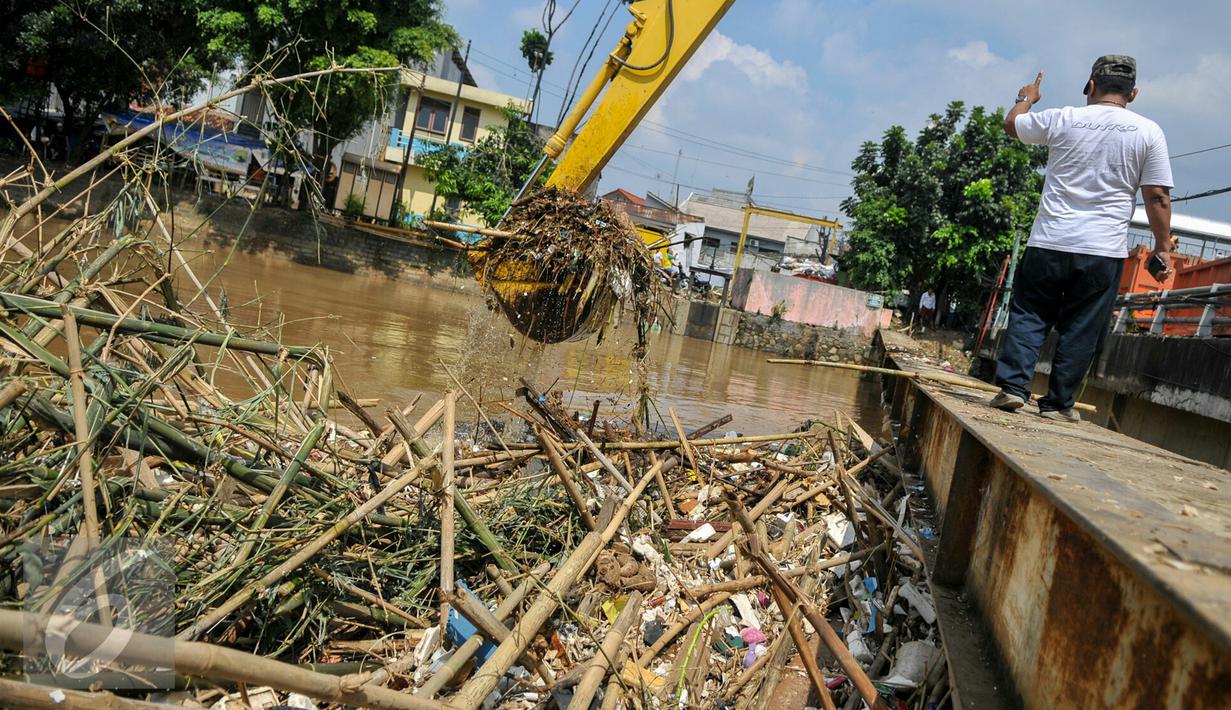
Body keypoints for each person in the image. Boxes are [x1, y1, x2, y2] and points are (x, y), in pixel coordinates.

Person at [990, 56, 1172, 422]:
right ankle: (1057, 404)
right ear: (1133, 93)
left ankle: (1013, 389)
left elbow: (1012, 123)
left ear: (1090, 85)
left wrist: (1027, 97)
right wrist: (1163, 246)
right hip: (1102, 251)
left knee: (1030, 314)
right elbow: (1157, 197)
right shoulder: (1148, 132)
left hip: (1048, 241)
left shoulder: (1063, 118)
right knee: (1082, 326)